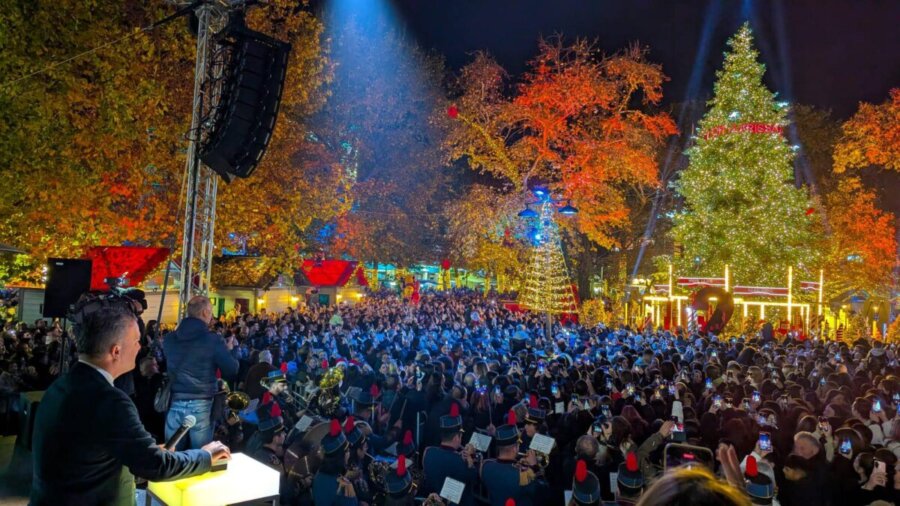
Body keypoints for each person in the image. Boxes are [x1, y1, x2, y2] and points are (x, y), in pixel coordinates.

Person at [30, 305, 230, 505]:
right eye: (136, 341)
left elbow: (93, 451)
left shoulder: (62, 385)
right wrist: (205, 455)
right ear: (116, 351)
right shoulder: (109, 400)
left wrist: (142, 448)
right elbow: (155, 465)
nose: (139, 347)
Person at [164, 296, 239, 450]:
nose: (212, 316)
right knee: (200, 455)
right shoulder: (212, 340)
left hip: (175, 401)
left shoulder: (169, 339)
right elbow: (231, 370)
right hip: (201, 405)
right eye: (211, 312)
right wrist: (231, 350)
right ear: (205, 312)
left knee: (173, 455)